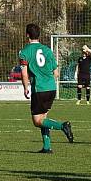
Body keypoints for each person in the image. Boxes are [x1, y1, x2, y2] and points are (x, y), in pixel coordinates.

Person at [19, 23, 74, 153]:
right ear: (39, 35)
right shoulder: (47, 50)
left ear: (27, 35)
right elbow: (56, 73)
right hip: (51, 87)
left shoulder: (25, 52)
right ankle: (47, 147)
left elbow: (24, 72)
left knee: (37, 121)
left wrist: (25, 87)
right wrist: (48, 81)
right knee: (44, 118)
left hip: (39, 89)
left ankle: (62, 126)